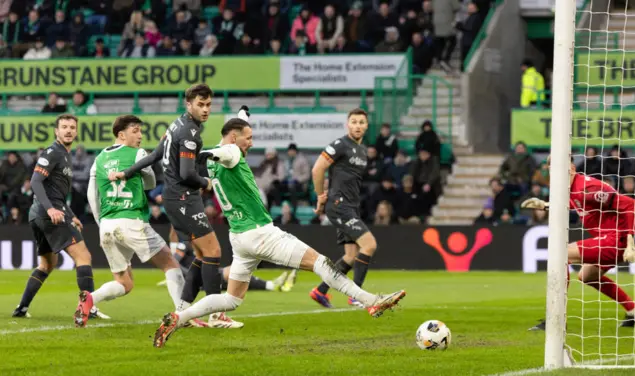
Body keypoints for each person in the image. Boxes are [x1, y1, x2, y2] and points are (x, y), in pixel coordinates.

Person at [152, 107, 405, 348]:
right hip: (262, 233)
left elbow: (229, 140)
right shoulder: (230, 152)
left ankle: (179, 317)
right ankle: (372, 302)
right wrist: (201, 152)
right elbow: (225, 151)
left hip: (239, 237)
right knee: (321, 263)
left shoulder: (223, 153)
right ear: (233, 138)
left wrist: (242, 116)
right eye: (248, 138)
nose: (251, 143)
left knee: (231, 299)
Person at [109, 84, 242, 329]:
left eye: (209, 105)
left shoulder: (176, 124)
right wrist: (207, 183)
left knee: (202, 255)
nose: (205, 110)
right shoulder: (190, 132)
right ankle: (216, 315)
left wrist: (126, 173)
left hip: (174, 199)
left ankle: (181, 310)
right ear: (188, 104)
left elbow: (154, 155)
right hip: (184, 199)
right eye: (200, 105)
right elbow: (187, 173)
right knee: (213, 251)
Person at [86, 115, 186, 321]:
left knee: (125, 283)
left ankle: (90, 300)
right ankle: (184, 314)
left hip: (106, 225)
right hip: (132, 221)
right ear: (121, 135)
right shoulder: (138, 153)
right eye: (135, 131)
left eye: (140, 131)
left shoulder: (99, 159)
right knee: (170, 263)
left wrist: (101, 223)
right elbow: (150, 183)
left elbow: (91, 195)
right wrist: (140, 172)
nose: (140, 135)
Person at [521, 156, 635, 330]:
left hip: (616, 240)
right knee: (587, 276)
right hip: (609, 240)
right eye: (552, 169)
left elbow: (632, 205)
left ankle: (556, 318)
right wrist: (546, 205)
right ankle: (634, 311)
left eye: (559, 168)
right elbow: (573, 203)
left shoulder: (587, 188)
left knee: (560, 253)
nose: (555, 173)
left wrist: (634, 241)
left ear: (571, 168)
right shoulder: (572, 189)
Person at [12, 114, 103, 327]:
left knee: (47, 263)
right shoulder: (53, 152)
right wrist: (51, 208)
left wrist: (72, 216)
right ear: (56, 131)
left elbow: (57, 194)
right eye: (64, 127)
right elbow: (35, 181)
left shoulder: (65, 155)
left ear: (76, 131)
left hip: (40, 214)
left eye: (72, 127)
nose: (69, 130)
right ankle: (88, 306)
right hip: (48, 213)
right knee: (84, 257)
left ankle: (22, 307)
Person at [309, 109, 378, 309]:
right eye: (354, 122)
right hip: (340, 206)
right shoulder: (340, 145)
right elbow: (318, 168)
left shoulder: (362, 151)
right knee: (370, 245)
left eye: (361, 122)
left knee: (350, 255)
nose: (357, 125)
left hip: (351, 207)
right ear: (348, 125)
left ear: (366, 126)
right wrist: (321, 195)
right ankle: (357, 296)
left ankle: (320, 291)